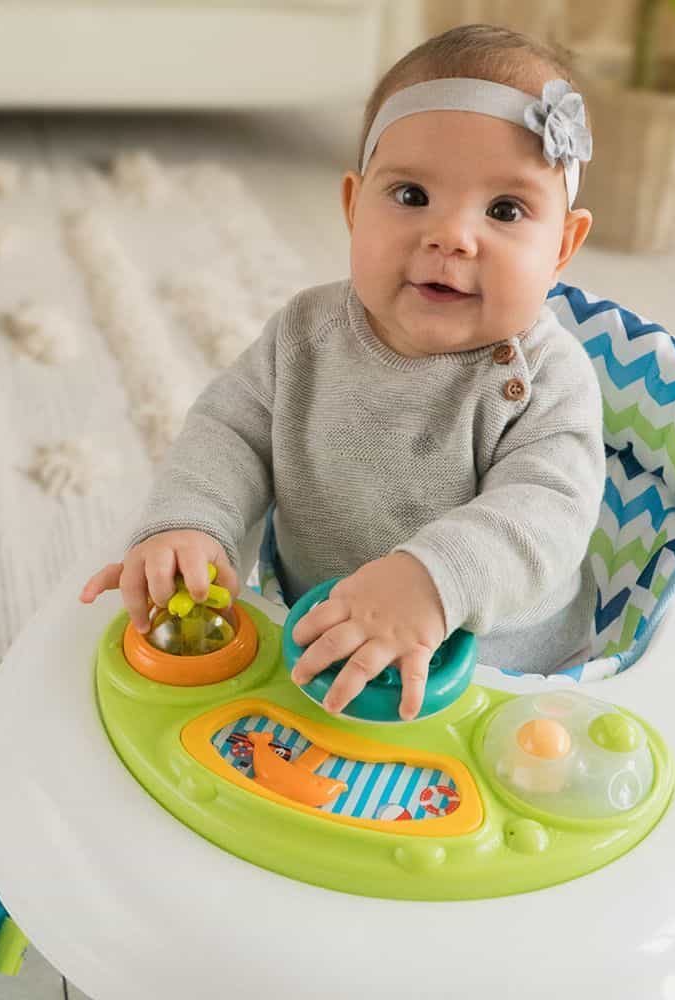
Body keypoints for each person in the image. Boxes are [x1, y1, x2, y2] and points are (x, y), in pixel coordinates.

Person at [80, 23, 606, 722]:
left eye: (505, 210)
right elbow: (230, 432)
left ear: (562, 245)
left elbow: (548, 513)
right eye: (412, 195)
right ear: (354, 206)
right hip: (313, 646)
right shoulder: (306, 334)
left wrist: (433, 580)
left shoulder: (548, 380)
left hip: (499, 680)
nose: (452, 236)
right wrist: (191, 525)